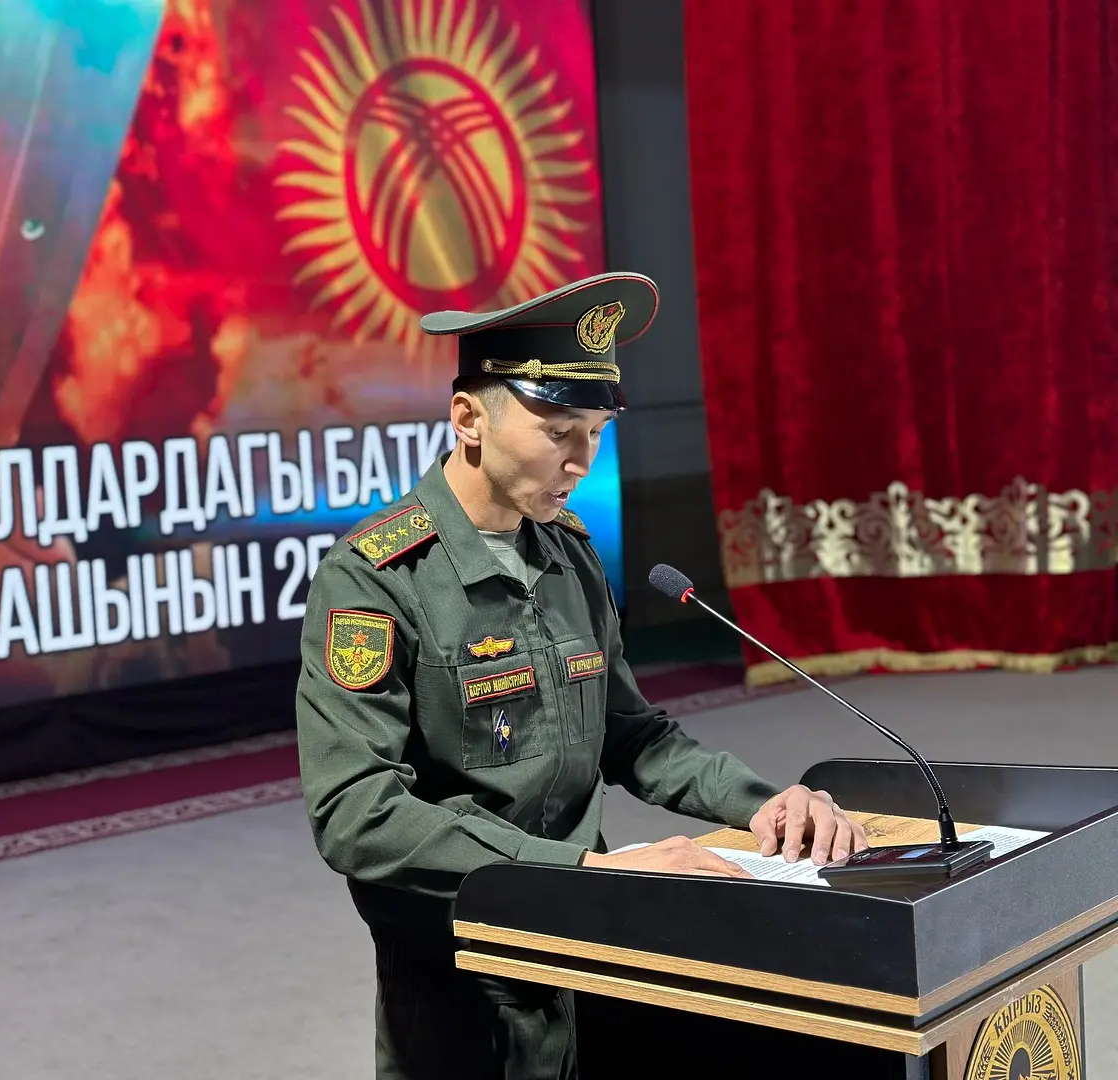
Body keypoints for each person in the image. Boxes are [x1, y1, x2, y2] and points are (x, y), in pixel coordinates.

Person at [293, 271, 868, 1080]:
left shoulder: (568, 554)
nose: (582, 461)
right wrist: (590, 873)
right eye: (559, 429)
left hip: (588, 949)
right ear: (468, 419)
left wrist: (762, 804)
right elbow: (356, 813)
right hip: (466, 983)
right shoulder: (377, 578)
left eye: (596, 432)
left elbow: (631, 736)